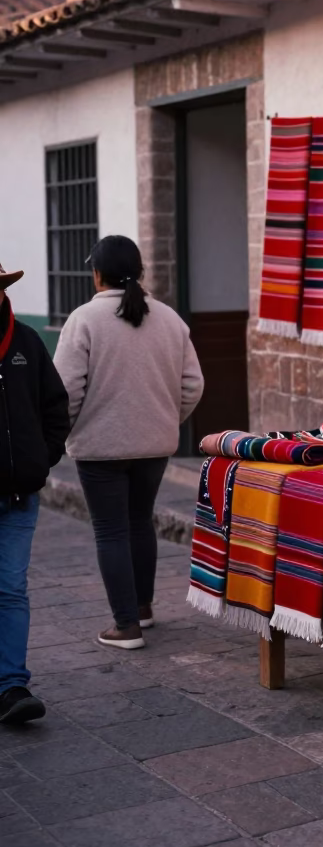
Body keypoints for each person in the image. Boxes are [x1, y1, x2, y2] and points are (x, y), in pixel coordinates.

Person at [54, 236, 204, 650]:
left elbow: (65, 391)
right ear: (139, 273)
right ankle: (141, 609)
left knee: (110, 530)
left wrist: (68, 432)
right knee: (141, 522)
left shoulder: (83, 319)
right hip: (154, 445)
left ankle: (125, 626)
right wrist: (166, 420)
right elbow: (192, 384)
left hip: (100, 448)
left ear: (97, 274)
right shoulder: (170, 319)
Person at [0, 262, 70, 724]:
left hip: (19, 495)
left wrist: (40, 459)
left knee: (11, 588)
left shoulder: (26, 342)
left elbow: (55, 405)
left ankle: (12, 687)